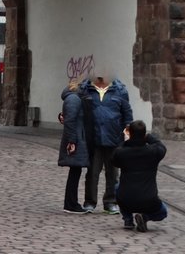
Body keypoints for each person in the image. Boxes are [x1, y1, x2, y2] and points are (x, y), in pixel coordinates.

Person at [81, 71, 133, 214]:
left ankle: (111, 202)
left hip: (114, 138)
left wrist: (128, 132)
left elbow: (127, 114)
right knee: (92, 173)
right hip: (94, 138)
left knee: (112, 174)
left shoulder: (120, 91)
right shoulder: (86, 90)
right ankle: (89, 202)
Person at [113, 120, 168, 232]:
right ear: (144, 134)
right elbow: (161, 146)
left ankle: (128, 219)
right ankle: (145, 217)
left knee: (117, 187)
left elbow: (114, 158)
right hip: (149, 200)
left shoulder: (122, 153)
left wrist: (126, 141)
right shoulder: (153, 151)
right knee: (163, 212)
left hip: (126, 199)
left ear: (130, 134)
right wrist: (148, 137)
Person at [58, 79, 91, 213]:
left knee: (75, 171)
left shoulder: (74, 98)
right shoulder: (74, 99)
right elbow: (70, 120)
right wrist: (72, 141)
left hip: (77, 137)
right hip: (76, 138)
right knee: (75, 171)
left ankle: (71, 202)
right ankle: (71, 204)